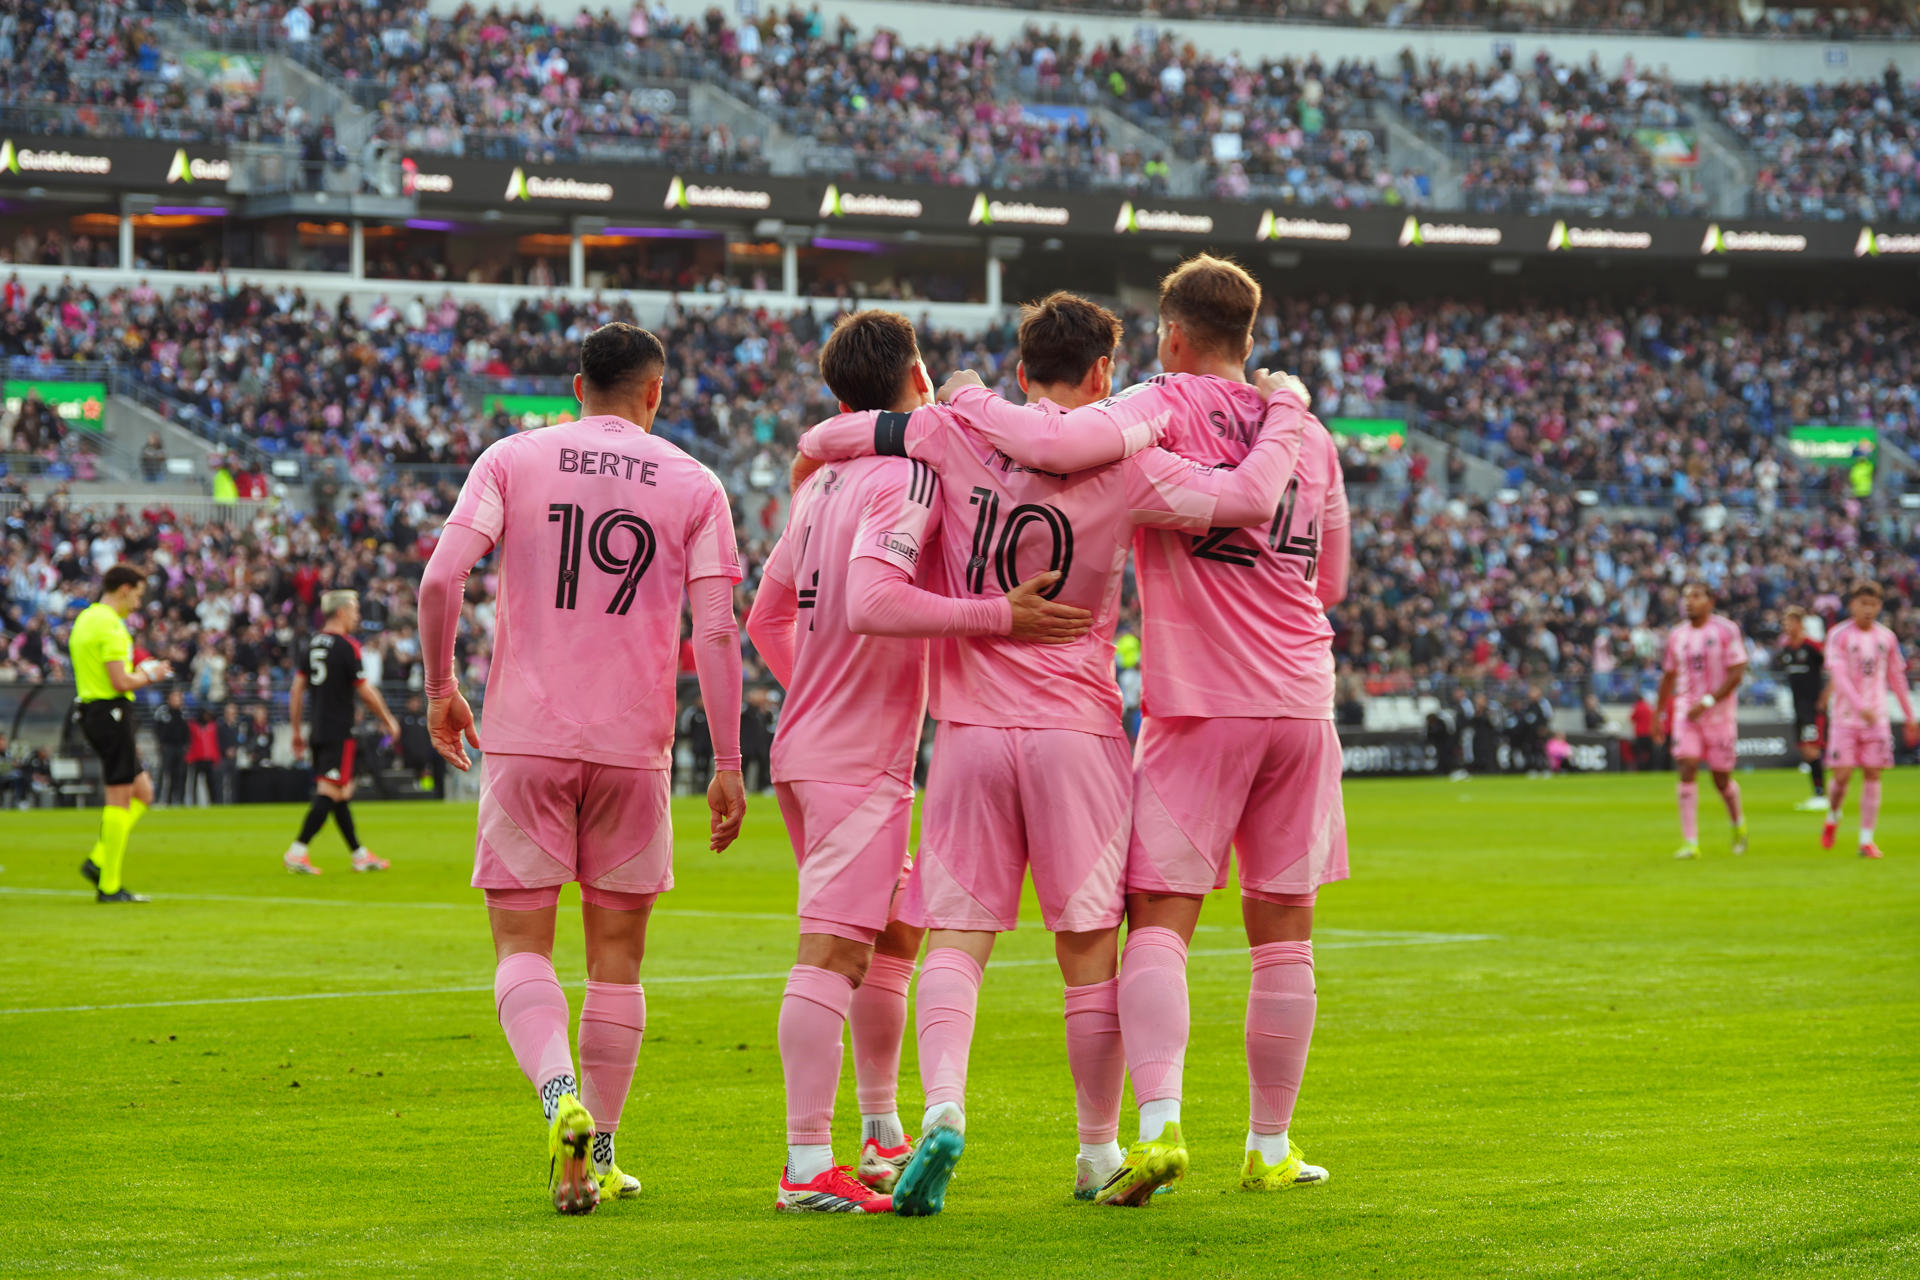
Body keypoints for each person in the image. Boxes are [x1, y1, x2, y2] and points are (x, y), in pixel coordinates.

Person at [795, 290, 1312, 1214]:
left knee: (955, 940)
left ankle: (945, 1107)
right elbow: (1239, 498)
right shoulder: (1133, 461)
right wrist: (1287, 410)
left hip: (969, 733)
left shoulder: (949, 435)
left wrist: (910, 412)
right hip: (1078, 732)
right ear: (1106, 374)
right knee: (1089, 955)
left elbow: (837, 441)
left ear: (1021, 368)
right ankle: (1095, 1151)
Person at [978, 257, 1349, 1205]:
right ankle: (1270, 1144)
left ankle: (1161, 1125)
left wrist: (963, 403)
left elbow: (1062, 452)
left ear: (1172, 336)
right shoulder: (1306, 434)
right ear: (1249, 337)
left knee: (1160, 923)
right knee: (1285, 933)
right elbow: (1332, 583)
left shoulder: (1156, 407)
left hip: (1199, 704)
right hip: (1304, 700)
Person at [746, 310, 1097, 1214]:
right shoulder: (901, 478)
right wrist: (998, 618)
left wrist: (814, 688)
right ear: (917, 381)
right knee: (829, 953)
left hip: (813, 746)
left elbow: (765, 617)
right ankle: (801, 1163)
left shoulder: (820, 487)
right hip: (854, 758)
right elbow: (871, 602)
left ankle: (879, 1130)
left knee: (893, 939)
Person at [415, 322, 748, 1215]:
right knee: (617, 964)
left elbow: (441, 580)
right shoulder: (693, 482)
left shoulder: (513, 458)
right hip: (633, 751)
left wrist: (442, 688)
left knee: (523, 947)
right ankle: (598, 1148)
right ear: (655, 392)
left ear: (575, 388)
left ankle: (558, 1099)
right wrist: (725, 759)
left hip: (524, 738)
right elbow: (715, 630)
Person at [68, 564, 170, 903]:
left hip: (91, 708)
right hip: (110, 710)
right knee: (120, 797)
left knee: (144, 791)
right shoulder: (111, 626)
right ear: (124, 589)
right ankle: (109, 885)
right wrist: (150, 674)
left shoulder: (86, 618)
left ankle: (99, 859)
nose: (139, 603)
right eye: (138, 595)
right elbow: (120, 682)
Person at [283, 590, 401, 874]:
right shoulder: (347, 647)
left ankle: (359, 854)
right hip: (339, 730)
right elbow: (365, 691)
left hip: (318, 729)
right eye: (354, 609)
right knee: (329, 792)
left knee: (342, 793)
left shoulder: (311, 645)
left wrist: (297, 730)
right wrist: (388, 719)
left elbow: (296, 690)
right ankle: (297, 851)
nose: (357, 615)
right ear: (340, 612)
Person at [1819, 581, 1917, 858]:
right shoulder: (1838, 635)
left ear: (1879, 606)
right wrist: (1860, 705)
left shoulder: (1886, 638)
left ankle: (1866, 840)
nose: (1868, 609)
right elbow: (1838, 676)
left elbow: (1896, 677)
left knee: (1874, 774)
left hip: (1877, 719)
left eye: (1873, 604)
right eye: (1863, 603)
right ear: (1852, 605)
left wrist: (1910, 715)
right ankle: (1833, 816)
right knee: (1843, 776)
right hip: (1846, 718)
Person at [1654, 581, 1748, 860]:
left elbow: (1737, 672)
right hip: (1686, 713)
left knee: (1721, 780)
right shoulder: (1677, 635)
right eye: (1686, 597)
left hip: (1719, 716)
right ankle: (1690, 842)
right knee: (1687, 766)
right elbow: (1669, 675)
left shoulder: (1726, 630)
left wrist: (1707, 701)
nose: (1689, 602)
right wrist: (1660, 713)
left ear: (1710, 601)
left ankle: (1737, 823)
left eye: (1696, 596)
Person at [1779, 607, 1829, 812]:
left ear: (1800, 624)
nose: (1787, 627)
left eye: (1790, 622)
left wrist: (1825, 697)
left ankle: (1821, 795)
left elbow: (1834, 669)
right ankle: (1818, 793)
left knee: (1812, 749)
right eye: (1785, 623)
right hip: (1797, 707)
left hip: (1813, 707)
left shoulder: (1813, 647)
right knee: (1805, 750)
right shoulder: (1788, 650)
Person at [153, 688, 190, 806]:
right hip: (167, 747)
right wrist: (160, 743)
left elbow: (188, 731)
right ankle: (158, 799)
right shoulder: (162, 712)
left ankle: (177, 800)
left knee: (178, 774)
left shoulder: (184, 713)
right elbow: (157, 729)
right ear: (169, 699)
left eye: (179, 697)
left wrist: (186, 745)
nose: (177, 700)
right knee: (163, 773)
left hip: (180, 748)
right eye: (174, 697)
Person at [185, 707, 219, 807]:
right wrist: (189, 757)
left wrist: (216, 757)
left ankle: (213, 802)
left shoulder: (213, 726)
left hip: (209, 758)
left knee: (211, 783)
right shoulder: (193, 726)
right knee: (194, 783)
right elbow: (189, 742)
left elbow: (216, 743)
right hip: (196, 758)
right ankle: (194, 802)